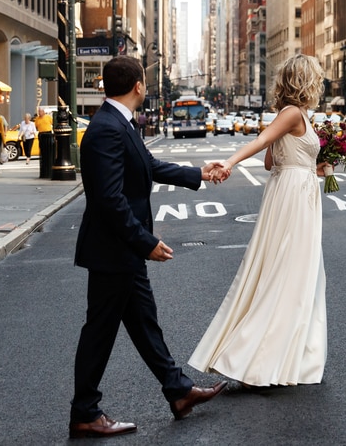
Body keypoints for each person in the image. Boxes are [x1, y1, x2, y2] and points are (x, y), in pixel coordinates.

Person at [69, 55, 227, 438]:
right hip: (115, 251)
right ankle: (85, 412)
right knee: (100, 332)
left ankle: (178, 391)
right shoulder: (109, 128)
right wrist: (146, 242)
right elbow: (109, 199)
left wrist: (197, 174)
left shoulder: (117, 123)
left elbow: (149, 166)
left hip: (122, 251)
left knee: (144, 324)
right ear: (139, 86)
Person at [189, 54, 328, 387]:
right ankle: (253, 362)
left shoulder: (300, 115)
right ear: (307, 80)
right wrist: (228, 163)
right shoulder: (293, 113)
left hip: (296, 190)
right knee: (288, 274)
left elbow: (272, 161)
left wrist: (318, 168)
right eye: (317, 77)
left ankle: (276, 359)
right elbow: (262, 142)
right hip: (293, 198)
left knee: (297, 274)